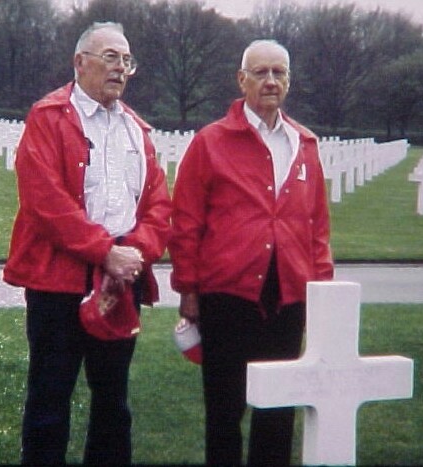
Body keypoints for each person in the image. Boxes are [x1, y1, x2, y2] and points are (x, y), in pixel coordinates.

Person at [3, 22, 171, 465]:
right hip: (59, 284)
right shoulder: (48, 117)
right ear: (80, 62)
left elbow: (158, 204)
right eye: (110, 57)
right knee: (49, 400)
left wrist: (136, 253)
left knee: (113, 400)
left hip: (121, 282)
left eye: (127, 60)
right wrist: (105, 252)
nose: (120, 68)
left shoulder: (138, 130)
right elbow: (45, 202)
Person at [168, 39, 334, 465]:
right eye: (260, 73)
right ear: (241, 80)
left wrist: (323, 295)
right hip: (228, 296)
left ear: (290, 81)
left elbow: (317, 227)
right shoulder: (211, 142)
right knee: (225, 412)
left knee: (278, 412)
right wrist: (188, 290)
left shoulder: (305, 145)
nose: (271, 81)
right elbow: (186, 222)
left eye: (279, 73)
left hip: (289, 298)